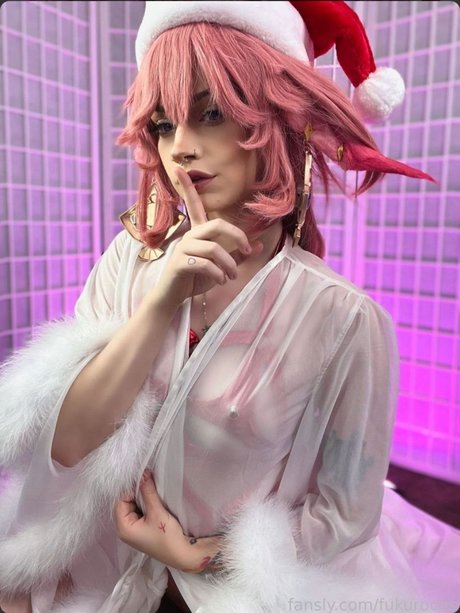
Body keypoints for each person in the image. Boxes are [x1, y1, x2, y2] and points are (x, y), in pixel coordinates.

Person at [0, 1, 459, 612]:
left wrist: (198, 554)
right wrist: (161, 303)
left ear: (282, 120)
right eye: (164, 124)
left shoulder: (345, 319)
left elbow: (345, 515)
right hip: (98, 563)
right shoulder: (129, 259)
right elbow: (68, 446)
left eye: (212, 113)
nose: (181, 148)